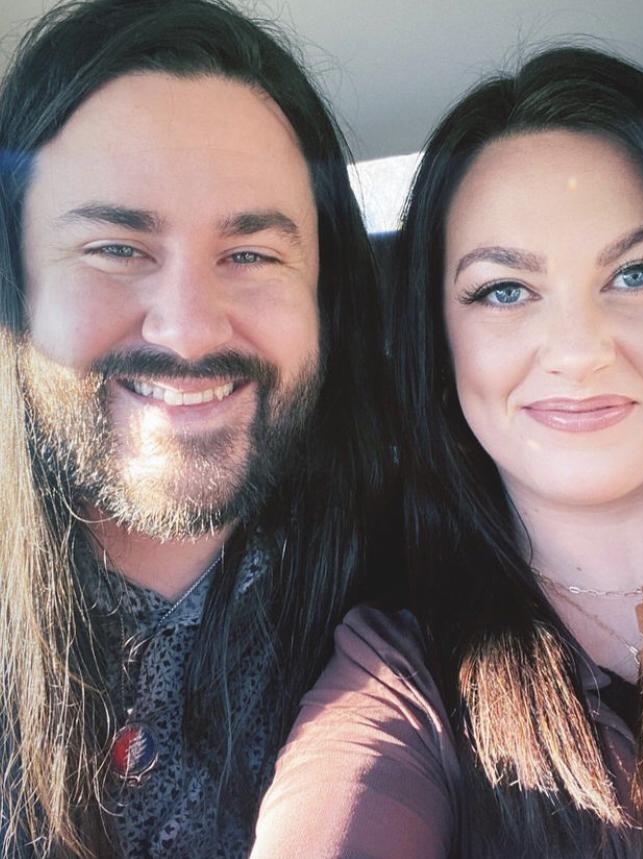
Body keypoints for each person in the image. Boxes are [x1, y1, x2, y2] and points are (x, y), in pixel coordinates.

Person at [251, 48, 643, 858]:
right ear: (438, 341)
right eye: (504, 290)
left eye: (638, 273)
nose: (578, 351)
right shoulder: (397, 678)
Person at [0, 0, 387, 855]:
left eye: (250, 254)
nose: (188, 331)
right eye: (115, 248)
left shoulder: (415, 600)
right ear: (17, 287)